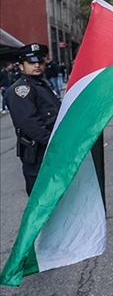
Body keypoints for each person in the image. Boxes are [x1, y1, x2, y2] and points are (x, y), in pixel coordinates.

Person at [6, 43, 60, 195]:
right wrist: (54, 142)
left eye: (40, 61)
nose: (37, 65)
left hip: (49, 150)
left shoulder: (41, 85)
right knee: (42, 199)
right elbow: (29, 123)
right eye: (31, 62)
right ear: (21, 66)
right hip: (38, 152)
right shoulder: (21, 90)